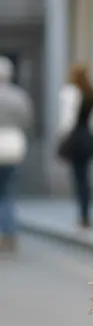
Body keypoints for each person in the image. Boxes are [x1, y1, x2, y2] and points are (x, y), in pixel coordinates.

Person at [57, 65, 93, 228]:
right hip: (88, 136)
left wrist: (62, 138)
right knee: (86, 177)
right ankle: (86, 212)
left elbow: (67, 119)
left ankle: (84, 214)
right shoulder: (92, 94)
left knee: (79, 178)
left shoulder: (70, 92)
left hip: (75, 138)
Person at [0, 56, 33, 254]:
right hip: (13, 147)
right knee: (9, 192)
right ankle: (10, 233)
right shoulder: (19, 96)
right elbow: (27, 120)